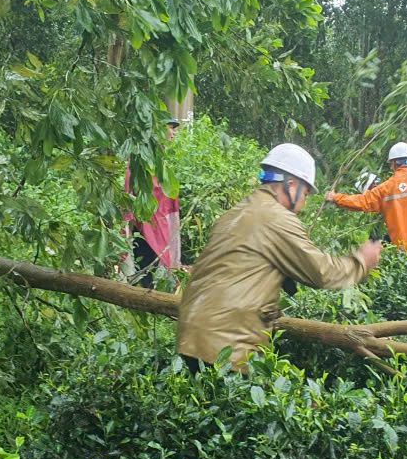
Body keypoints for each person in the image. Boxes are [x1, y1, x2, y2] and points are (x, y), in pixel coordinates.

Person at [176, 143, 381, 372]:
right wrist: (361, 261)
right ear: (290, 185)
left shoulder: (238, 211)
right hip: (226, 343)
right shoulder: (275, 218)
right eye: (305, 193)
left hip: (193, 334)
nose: (303, 202)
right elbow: (321, 272)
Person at [325, 142, 407, 251]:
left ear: (393, 164)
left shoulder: (385, 189)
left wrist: (336, 197)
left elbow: (362, 201)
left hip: (404, 250)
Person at [124, 118, 181, 288]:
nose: (174, 133)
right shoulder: (142, 160)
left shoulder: (158, 160)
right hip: (146, 230)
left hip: (159, 227)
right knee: (147, 275)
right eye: (171, 128)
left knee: (156, 275)